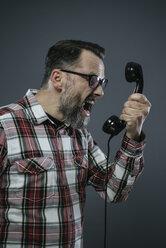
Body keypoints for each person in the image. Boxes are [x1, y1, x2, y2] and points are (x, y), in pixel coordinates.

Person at [0, 40, 151, 247]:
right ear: (58, 78)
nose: (100, 92)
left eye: (102, 82)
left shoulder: (80, 134)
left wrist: (133, 134)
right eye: (93, 79)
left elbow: (114, 190)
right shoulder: (4, 127)